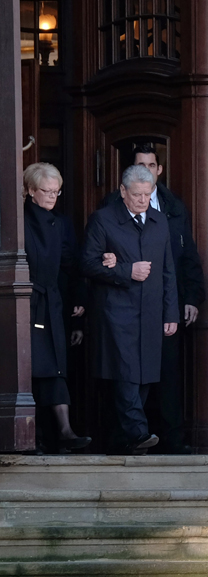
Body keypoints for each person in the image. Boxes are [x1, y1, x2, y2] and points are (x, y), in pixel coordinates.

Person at [99, 143, 205, 454]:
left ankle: (167, 438)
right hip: (123, 308)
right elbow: (90, 260)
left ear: (159, 170)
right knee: (128, 372)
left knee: (163, 373)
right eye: (140, 165)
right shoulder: (109, 210)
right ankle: (130, 436)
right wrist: (120, 268)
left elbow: (182, 259)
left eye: (151, 165)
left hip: (163, 305)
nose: (146, 172)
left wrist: (189, 298)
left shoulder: (171, 207)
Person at [81, 164, 179, 454]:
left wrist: (170, 313)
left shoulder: (160, 221)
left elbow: (168, 271)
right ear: (122, 191)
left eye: (147, 195)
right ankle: (138, 432)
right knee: (125, 372)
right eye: (136, 194)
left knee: (145, 374)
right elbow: (86, 263)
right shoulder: (102, 220)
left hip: (150, 311)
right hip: (115, 312)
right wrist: (126, 271)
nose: (142, 200)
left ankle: (127, 438)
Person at [23, 162, 90, 452]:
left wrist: (78, 301)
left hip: (52, 304)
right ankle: (31, 436)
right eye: (46, 191)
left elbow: (71, 264)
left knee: (56, 368)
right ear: (29, 191)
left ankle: (64, 430)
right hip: (25, 303)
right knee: (28, 369)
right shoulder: (16, 219)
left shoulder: (60, 223)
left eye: (56, 191)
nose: (52, 196)